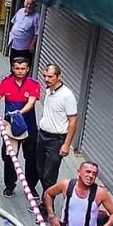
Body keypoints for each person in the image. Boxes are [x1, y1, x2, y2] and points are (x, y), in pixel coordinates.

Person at [0, 56, 41, 198]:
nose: (20, 71)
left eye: (23, 69)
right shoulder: (6, 83)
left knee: (31, 158)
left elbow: (31, 103)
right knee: (9, 157)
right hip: (11, 129)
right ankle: (9, 185)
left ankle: (31, 187)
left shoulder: (33, 84)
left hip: (29, 128)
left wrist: (18, 113)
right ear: (12, 68)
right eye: (17, 68)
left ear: (27, 69)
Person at [37, 64, 78, 216]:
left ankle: (47, 208)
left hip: (56, 139)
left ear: (59, 77)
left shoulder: (67, 96)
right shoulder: (49, 91)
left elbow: (73, 121)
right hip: (43, 135)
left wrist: (66, 144)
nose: (46, 79)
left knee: (50, 175)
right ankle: (45, 197)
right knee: (40, 170)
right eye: (45, 76)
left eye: (50, 77)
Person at [7, 0, 40, 67]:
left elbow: (37, 32)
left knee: (22, 65)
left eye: (31, 4)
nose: (28, 6)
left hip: (24, 47)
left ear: (34, 6)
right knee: (13, 63)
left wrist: (32, 44)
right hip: (14, 42)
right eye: (27, 4)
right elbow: (14, 22)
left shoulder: (36, 16)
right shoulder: (20, 11)